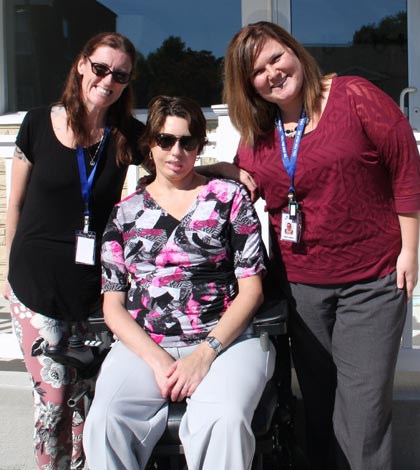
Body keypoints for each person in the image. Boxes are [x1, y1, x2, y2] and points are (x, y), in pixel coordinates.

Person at [202, 21, 420, 470]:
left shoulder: (353, 96)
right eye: (258, 72)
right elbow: (248, 184)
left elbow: (406, 167)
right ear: (250, 88)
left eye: (276, 57)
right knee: (317, 404)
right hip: (301, 290)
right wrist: (205, 171)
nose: (273, 73)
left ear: (294, 50)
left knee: (362, 412)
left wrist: (410, 251)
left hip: (372, 281)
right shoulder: (261, 133)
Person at [83, 95, 276, 470]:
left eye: (187, 142)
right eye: (165, 140)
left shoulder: (229, 198)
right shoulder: (125, 214)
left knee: (226, 418)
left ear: (199, 146)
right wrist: (157, 360)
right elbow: (113, 305)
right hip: (146, 344)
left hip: (224, 339)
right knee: (106, 420)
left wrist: (204, 354)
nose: (176, 151)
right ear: (150, 144)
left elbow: (252, 289)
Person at [4, 32, 148, 469]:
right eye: (101, 68)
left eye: (120, 75)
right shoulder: (36, 123)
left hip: (91, 292)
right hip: (33, 286)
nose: (108, 80)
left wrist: (226, 169)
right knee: (54, 395)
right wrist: (8, 276)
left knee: (88, 398)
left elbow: (175, 157)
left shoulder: (125, 136)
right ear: (82, 65)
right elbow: (15, 203)